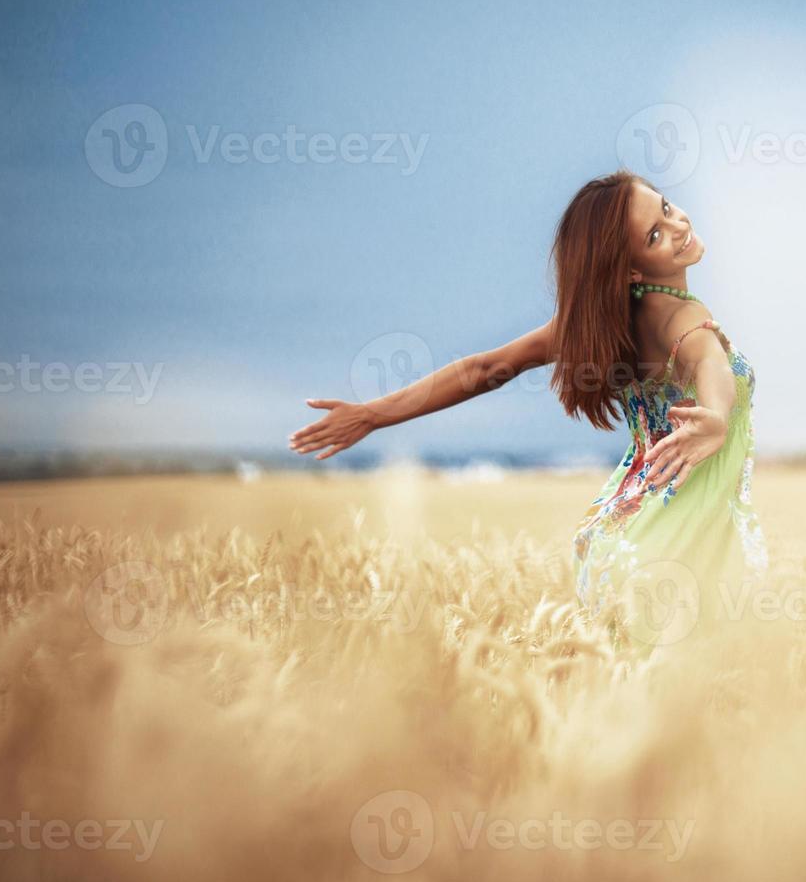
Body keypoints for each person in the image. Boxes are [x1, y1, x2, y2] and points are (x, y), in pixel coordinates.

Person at [288, 169, 769, 631]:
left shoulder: (599, 324)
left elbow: (483, 369)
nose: (679, 225)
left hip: (621, 546)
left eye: (666, 208)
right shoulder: (681, 319)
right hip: (678, 551)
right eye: (655, 235)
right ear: (629, 269)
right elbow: (709, 364)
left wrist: (374, 414)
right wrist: (716, 415)